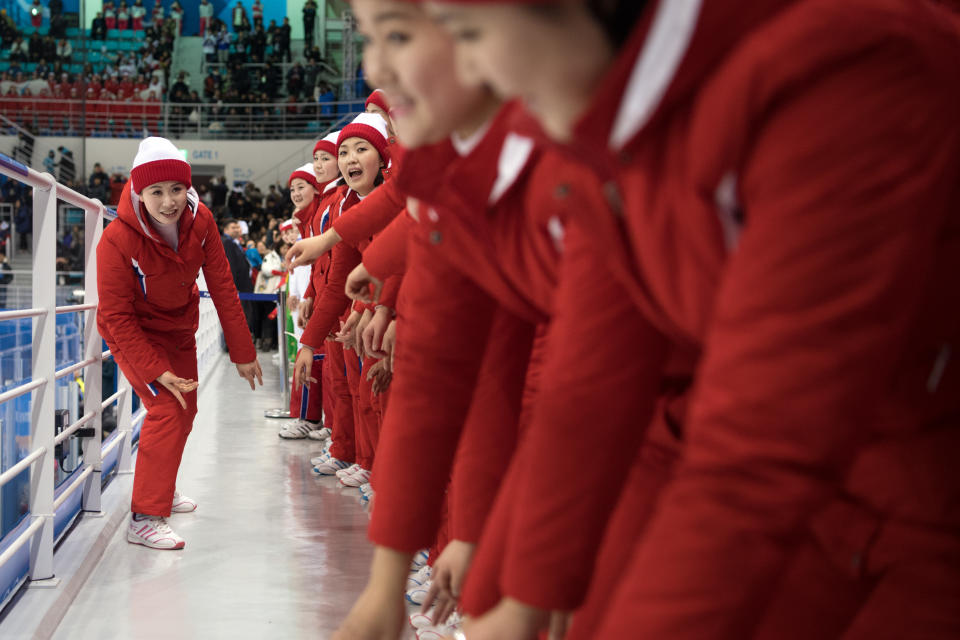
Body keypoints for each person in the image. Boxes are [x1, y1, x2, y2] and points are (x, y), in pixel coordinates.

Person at [422, 2, 960, 640]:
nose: (475, 70)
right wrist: (523, 596)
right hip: (829, 489)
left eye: (471, 34)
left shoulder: (839, 65)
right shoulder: (606, 135)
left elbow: (763, 438)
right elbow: (593, 383)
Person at [96, 137, 262, 550]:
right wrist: (156, 370)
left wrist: (242, 351)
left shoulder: (201, 221)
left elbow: (222, 285)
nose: (168, 201)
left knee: (186, 410)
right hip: (133, 333)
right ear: (138, 191)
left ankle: (162, 486)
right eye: (156, 191)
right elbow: (117, 316)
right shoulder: (116, 240)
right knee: (167, 409)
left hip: (178, 327)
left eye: (177, 189)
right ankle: (145, 517)